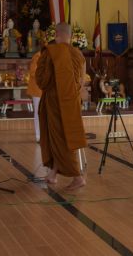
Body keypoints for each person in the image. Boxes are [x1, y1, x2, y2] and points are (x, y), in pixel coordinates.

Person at [36, 22, 87, 191]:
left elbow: (42, 80)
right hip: (72, 101)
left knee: (61, 138)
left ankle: (78, 177)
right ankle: (53, 173)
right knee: (62, 136)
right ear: (71, 35)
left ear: (56, 33)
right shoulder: (78, 54)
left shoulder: (51, 53)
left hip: (55, 101)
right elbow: (81, 80)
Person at [28, 50, 42, 143]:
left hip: (46, 89)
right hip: (37, 89)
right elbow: (33, 72)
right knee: (38, 113)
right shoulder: (37, 56)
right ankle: (38, 136)